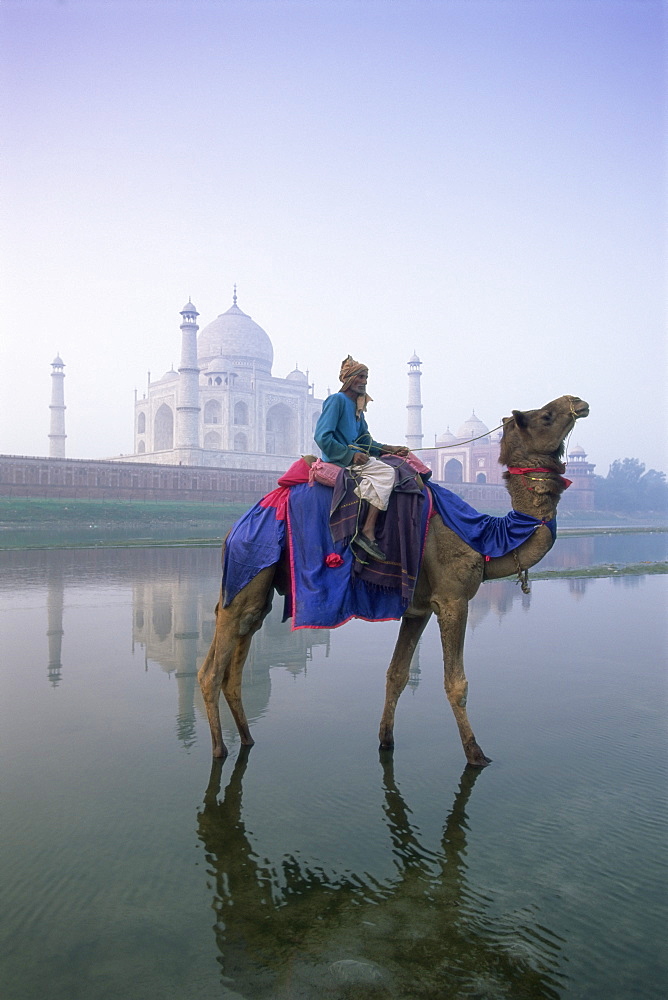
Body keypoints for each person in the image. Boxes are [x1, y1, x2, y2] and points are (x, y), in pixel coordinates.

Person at [314, 355, 409, 561]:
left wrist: (388, 448)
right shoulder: (336, 401)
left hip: (356, 458)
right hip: (338, 459)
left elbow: (365, 441)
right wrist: (349, 455)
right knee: (387, 472)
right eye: (361, 377)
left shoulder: (357, 407)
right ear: (349, 379)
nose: (365, 381)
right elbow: (322, 437)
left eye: (366, 377)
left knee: (397, 465)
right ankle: (367, 530)